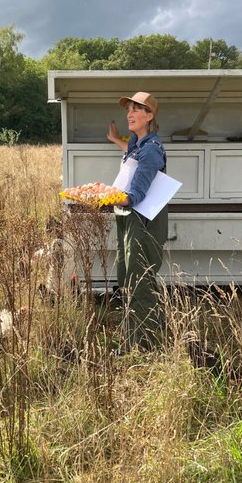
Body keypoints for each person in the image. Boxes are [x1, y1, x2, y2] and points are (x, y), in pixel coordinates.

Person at [107, 91, 168, 350]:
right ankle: (141, 333)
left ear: (150, 115)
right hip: (128, 220)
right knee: (126, 277)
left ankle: (142, 345)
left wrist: (101, 196)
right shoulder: (138, 144)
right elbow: (132, 155)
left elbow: (134, 196)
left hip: (141, 222)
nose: (130, 114)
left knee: (138, 281)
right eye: (128, 109)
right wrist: (115, 140)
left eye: (137, 109)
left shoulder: (152, 150)